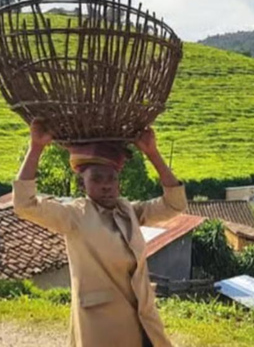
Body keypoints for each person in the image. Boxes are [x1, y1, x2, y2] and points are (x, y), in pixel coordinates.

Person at [13, 119, 187, 347]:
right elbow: (25, 205)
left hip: (143, 322)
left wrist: (153, 153)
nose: (106, 185)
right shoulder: (75, 216)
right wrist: (36, 147)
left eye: (111, 179)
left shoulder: (129, 211)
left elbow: (175, 204)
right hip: (101, 325)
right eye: (96, 178)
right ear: (83, 183)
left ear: (119, 183)